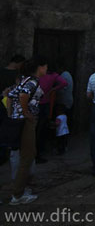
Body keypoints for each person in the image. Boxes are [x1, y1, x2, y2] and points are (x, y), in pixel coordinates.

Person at [8, 56, 47, 205]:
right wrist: (26, 113)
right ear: (40, 67)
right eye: (45, 67)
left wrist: (12, 113)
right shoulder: (32, 82)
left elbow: (10, 95)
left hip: (20, 120)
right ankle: (17, 194)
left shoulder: (25, 80)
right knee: (27, 157)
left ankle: (21, 189)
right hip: (25, 121)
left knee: (27, 156)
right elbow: (23, 95)